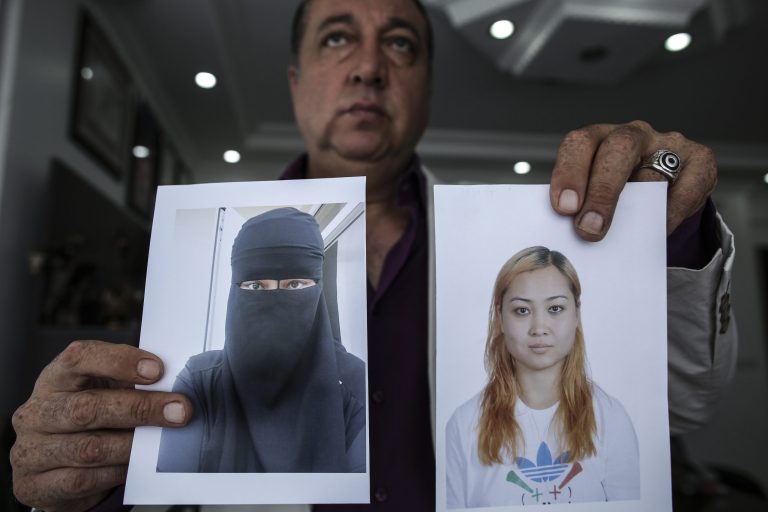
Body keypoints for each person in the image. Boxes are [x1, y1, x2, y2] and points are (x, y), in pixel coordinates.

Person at [9, 0, 736, 511]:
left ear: (423, 84)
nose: (367, 68)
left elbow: (688, 397)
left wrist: (662, 214)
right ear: (294, 83)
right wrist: (76, 472)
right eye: (334, 38)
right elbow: (139, 462)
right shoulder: (188, 317)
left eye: (399, 43)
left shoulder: (514, 249)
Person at [156, 208, 365, 473]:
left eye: (294, 285)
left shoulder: (355, 383)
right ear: (236, 291)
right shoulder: (200, 380)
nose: (275, 300)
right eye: (256, 286)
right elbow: (171, 490)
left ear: (318, 287)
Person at [445, 246, 639, 508]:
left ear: (576, 314)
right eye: (522, 311)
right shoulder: (463, 424)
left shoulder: (611, 417)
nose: (539, 328)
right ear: (500, 317)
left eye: (555, 309)